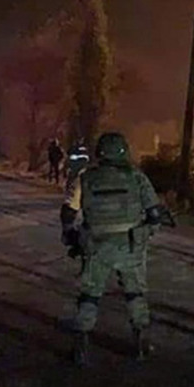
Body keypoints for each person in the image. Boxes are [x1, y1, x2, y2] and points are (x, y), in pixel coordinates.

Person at [61, 132, 167, 366]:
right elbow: (154, 213)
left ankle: (81, 345)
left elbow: (68, 212)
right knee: (135, 294)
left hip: (96, 246)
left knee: (90, 295)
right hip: (130, 246)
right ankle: (141, 341)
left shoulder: (85, 178)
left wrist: (71, 237)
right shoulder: (137, 177)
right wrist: (148, 232)